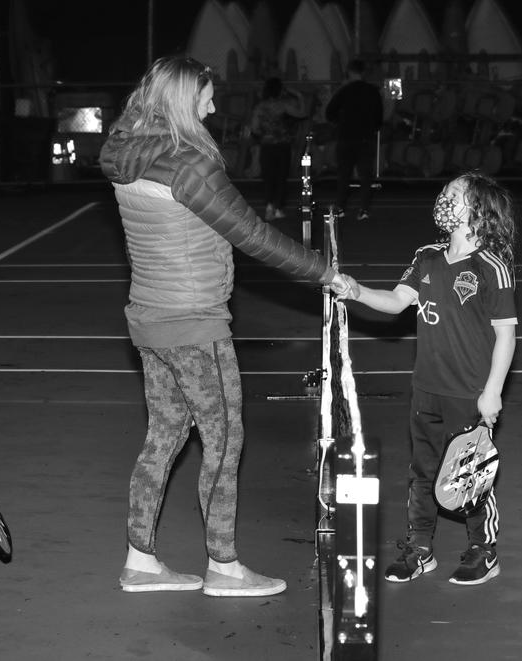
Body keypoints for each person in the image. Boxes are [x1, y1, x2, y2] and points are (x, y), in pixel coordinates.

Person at [100, 55, 351, 598]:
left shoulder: (124, 153)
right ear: (183, 99)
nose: (214, 105)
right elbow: (255, 236)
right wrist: (328, 275)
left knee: (162, 438)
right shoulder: (190, 166)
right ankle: (224, 566)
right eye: (206, 96)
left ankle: (139, 560)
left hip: (147, 318)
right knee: (224, 442)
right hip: (195, 325)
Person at [338, 171, 517, 585]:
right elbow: (397, 301)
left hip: (468, 393)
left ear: (477, 210)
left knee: (468, 474)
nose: (443, 198)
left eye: (453, 194)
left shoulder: (492, 266)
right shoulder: (427, 256)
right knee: (423, 471)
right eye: (445, 192)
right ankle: (420, 548)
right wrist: (356, 290)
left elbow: (506, 335)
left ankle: (482, 550)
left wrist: (492, 392)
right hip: (426, 387)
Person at [324, 59, 383, 221]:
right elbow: (379, 117)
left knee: (344, 174)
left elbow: (329, 112)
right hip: (365, 137)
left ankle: (341, 207)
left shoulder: (344, 91)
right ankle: (363, 209)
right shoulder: (372, 91)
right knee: (365, 175)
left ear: (349, 72)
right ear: (364, 72)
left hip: (346, 136)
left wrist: (340, 122)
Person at [249, 77, 308, 220]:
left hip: (266, 145)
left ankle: (269, 205)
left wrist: (264, 133)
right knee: (281, 177)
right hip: (283, 146)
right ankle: (278, 207)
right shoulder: (284, 105)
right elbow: (302, 113)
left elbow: (254, 128)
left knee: (268, 177)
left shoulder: (259, 107)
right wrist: (299, 96)